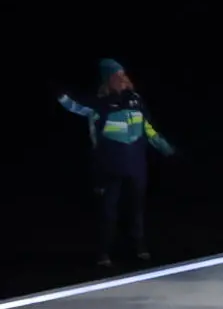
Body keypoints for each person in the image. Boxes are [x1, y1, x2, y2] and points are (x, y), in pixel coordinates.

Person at [59, 60, 173, 266]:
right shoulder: (99, 105)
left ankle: (139, 247)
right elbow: (74, 107)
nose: (122, 79)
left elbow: (148, 128)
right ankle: (104, 253)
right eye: (117, 75)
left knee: (136, 209)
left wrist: (165, 148)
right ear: (108, 79)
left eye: (123, 74)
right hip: (110, 167)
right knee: (108, 211)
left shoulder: (136, 100)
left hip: (136, 166)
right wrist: (60, 95)